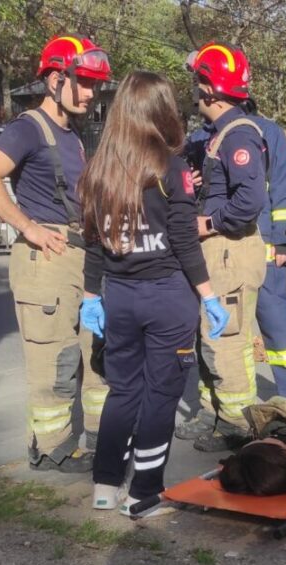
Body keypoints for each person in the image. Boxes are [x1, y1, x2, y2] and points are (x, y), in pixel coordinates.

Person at [76, 71, 230, 515]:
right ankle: (144, 491)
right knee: (160, 395)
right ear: (161, 112)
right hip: (168, 299)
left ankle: (105, 486)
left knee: (122, 391)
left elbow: (92, 241)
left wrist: (91, 297)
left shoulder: (97, 171)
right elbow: (183, 240)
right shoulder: (171, 169)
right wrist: (209, 295)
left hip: (119, 297)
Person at [0, 35, 111, 472]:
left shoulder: (73, 135)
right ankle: (50, 447)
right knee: (56, 359)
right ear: (54, 79)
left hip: (78, 256)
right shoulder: (29, 127)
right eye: (82, 82)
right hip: (46, 260)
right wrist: (27, 226)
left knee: (94, 355)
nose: (90, 93)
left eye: (95, 84)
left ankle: (99, 439)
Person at [184, 96, 286, 400]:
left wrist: (284, 239)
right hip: (217, 248)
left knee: (279, 326)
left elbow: (283, 184)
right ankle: (217, 401)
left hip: (263, 245)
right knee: (218, 329)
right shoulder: (201, 137)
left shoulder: (266, 131)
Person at [173, 42, 270, 453]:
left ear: (210, 88)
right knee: (209, 338)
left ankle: (236, 425)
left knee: (225, 340)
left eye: (198, 80)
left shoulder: (238, 135)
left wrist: (207, 222)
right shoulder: (219, 136)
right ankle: (215, 414)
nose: (194, 89)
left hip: (229, 249)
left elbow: (250, 200)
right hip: (219, 252)